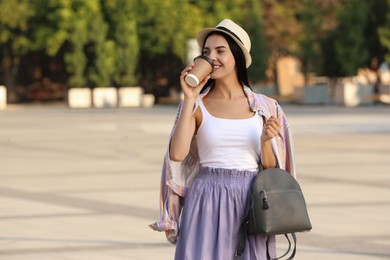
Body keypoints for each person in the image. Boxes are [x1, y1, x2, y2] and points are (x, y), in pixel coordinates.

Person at [149, 19, 296, 260]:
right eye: (206, 53)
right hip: (206, 199)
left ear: (237, 56)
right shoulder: (195, 105)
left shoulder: (267, 107)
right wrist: (188, 97)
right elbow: (176, 154)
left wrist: (266, 139)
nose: (211, 58)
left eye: (220, 51)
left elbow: (272, 170)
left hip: (250, 201)